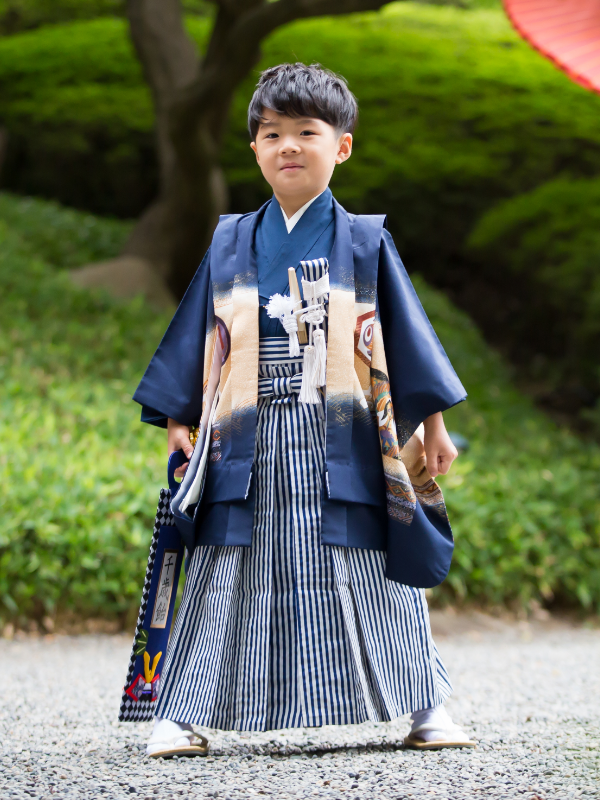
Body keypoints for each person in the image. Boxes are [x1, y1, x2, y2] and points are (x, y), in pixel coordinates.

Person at [133, 62, 475, 757]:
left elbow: (406, 333)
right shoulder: (231, 238)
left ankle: (424, 706)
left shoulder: (365, 239)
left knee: (370, 561)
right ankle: (182, 713)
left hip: (345, 429)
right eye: (272, 134)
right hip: (244, 431)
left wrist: (433, 424)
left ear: (341, 146)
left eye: (307, 133)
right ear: (254, 149)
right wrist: (179, 417)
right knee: (226, 563)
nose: (289, 146)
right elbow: (202, 330)